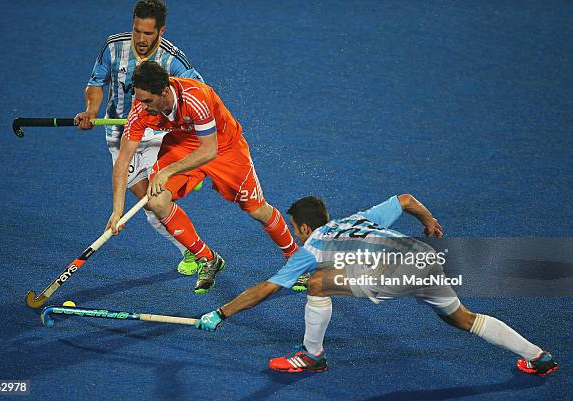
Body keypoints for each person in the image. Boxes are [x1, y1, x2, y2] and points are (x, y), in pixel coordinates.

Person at [195, 194, 559, 377]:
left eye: (294, 228)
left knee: (318, 282)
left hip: (395, 272)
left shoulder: (314, 244)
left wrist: (221, 311)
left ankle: (311, 357)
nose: (294, 234)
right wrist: (429, 221)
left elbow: (268, 287)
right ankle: (538, 358)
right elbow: (404, 199)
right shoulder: (359, 218)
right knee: (461, 318)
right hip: (425, 256)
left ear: (305, 228)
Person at [109, 61, 299, 294]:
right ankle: (208, 259)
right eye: (139, 100)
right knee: (156, 201)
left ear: (164, 92)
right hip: (182, 145)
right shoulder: (140, 110)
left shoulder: (195, 97)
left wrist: (168, 171)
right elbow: (123, 160)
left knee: (257, 210)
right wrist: (117, 211)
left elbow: (209, 150)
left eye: (147, 101)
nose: (142, 106)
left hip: (224, 146)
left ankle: (296, 259)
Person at [74, 0, 204, 276]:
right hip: (122, 135)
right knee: (146, 202)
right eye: (137, 32)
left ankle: (190, 180)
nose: (141, 40)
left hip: (159, 135)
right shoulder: (113, 47)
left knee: (155, 199)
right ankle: (191, 251)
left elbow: (200, 92)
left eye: (148, 34)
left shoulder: (172, 60)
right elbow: (96, 83)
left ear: (161, 31)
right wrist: (90, 111)